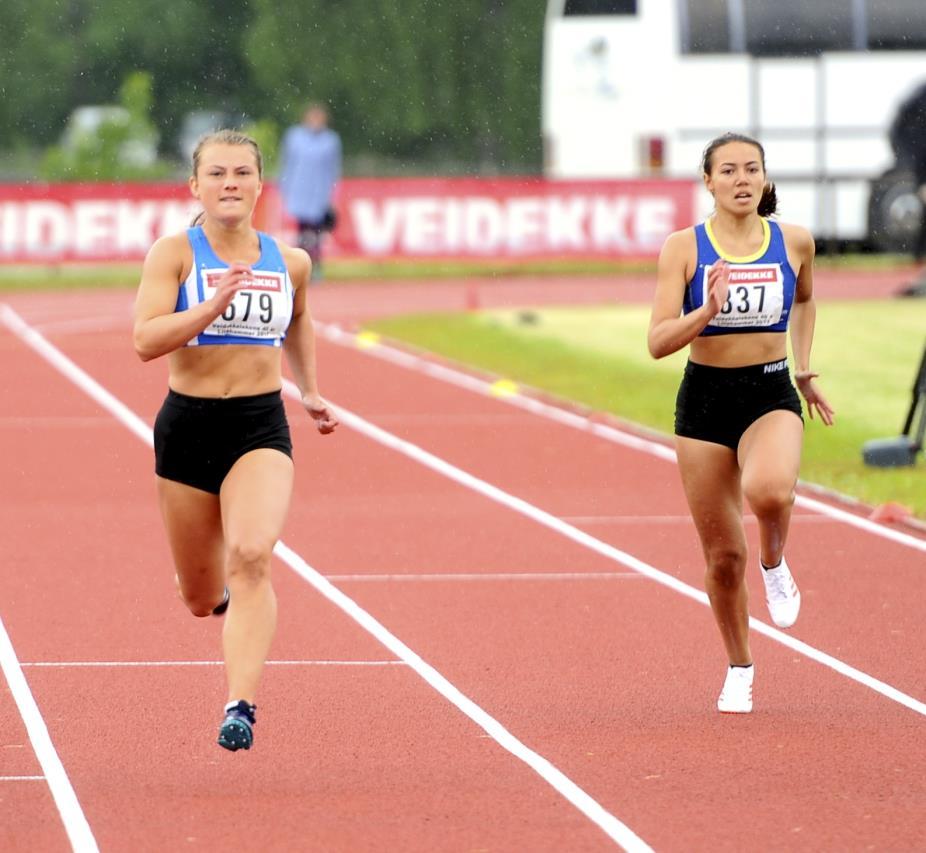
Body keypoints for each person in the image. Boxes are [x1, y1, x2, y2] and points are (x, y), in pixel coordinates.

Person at [133, 129, 338, 751]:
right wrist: (212, 303)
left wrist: (307, 390)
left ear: (258, 183)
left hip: (258, 426)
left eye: (242, 173)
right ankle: (210, 591)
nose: (230, 183)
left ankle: (240, 706)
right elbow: (145, 340)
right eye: (217, 173)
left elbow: (300, 319)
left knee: (252, 555)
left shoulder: (289, 261)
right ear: (195, 186)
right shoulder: (175, 254)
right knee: (199, 597)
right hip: (188, 427)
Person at [647, 132, 835, 714]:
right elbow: (656, 342)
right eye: (727, 171)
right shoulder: (683, 248)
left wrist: (803, 368)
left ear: (765, 178)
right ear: (708, 181)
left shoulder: (794, 241)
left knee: (769, 490)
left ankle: (775, 560)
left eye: (751, 169)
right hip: (704, 402)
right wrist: (703, 311)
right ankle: (739, 665)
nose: (741, 180)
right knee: (723, 560)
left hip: (769, 391)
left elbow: (804, 300)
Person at [278, 102, 342, 281]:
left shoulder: (330, 140)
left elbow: (333, 170)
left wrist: (333, 195)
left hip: (319, 192)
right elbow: (287, 163)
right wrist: (283, 188)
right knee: (302, 232)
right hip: (299, 191)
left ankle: (315, 266)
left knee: (316, 233)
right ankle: (300, 266)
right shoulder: (294, 137)